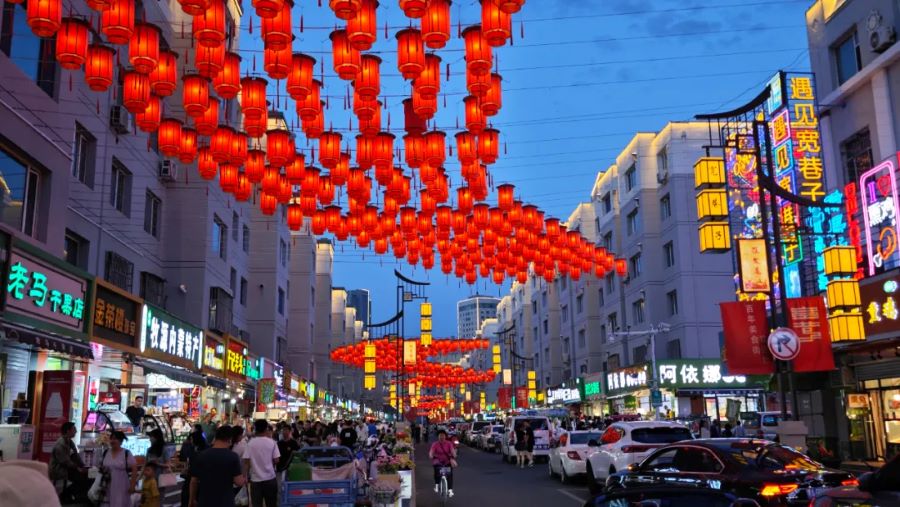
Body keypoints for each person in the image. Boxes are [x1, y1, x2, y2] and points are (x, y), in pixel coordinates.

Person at [190, 425, 246, 507]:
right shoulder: (232, 456)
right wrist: (245, 477)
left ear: (215, 438)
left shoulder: (201, 455)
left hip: (205, 501)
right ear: (230, 439)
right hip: (225, 501)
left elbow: (193, 481)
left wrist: (192, 499)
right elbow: (239, 482)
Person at [243, 419, 280, 507]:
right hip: (270, 479)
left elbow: (246, 462)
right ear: (266, 428)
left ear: (255, 429)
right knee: (271, 504)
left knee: (257, 504)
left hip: (255, 480)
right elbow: (276, 460)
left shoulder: (250, 443)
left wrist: (245, 476)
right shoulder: (272, 442)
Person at [97, 431, 138, 507]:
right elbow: (101, 466)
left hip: (121, 485)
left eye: (115, 439)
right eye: (111, 439)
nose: (112, 441)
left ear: (121, 441)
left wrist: (132, 485)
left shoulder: (126, 453)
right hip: (107, 485)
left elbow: (134, 468)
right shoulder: (106, 452)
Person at [49, 421, 88, 501]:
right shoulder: (60, 444)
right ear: (68, 431)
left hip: (67, 468)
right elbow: (65, 461)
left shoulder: (69, 441)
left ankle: (74, 495)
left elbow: (76, 455)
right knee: (79, 477)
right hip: (59, 470)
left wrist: (83, 466)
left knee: (86, 475)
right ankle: (68, 496)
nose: (76, 431)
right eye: (74, 429)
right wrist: (78, 468)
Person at [180, 429, 208, 507]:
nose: (191, 441)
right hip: (197, 480)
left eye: (192, 439)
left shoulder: (197, 453)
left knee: (188, 497)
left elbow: (193, 479)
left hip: (194, 479)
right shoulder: (197, 449)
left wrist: (191, 500)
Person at [428, 429, 456, 498]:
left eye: (443, 436)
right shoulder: (435, 444)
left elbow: (452, 451)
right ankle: (437, 485)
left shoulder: (449, 443)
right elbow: (431, 452)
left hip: (447, 461)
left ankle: (450, 490)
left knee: (449, 475)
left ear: (445, 436)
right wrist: (431, 456)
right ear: (438, 437)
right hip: (438, 461)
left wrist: (454, 455)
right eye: (440, 436)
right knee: (437, 472)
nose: (442, 437)